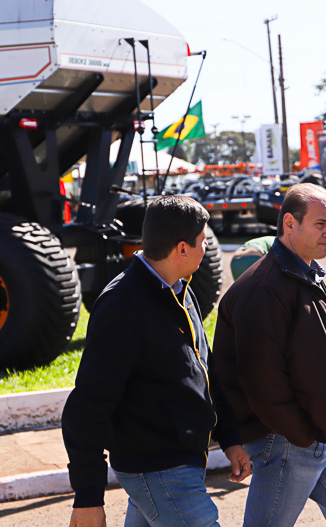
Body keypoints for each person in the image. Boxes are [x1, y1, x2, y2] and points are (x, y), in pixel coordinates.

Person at [62, 196, 250, 527]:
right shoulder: (122, 305)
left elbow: (205, 372)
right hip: (158, 469)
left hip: (175, 462)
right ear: (182, 249)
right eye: (203, 241)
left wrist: (230, 437)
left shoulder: (181, 290)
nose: (206, 249)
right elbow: (87, 405)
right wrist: (88, 496)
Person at [213, 183, 326, 527]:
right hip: (290, 441)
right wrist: (302, 434)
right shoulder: (264, 287)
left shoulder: (306, 273)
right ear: (289, 223)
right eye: (320, 224)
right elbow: (262, 378)